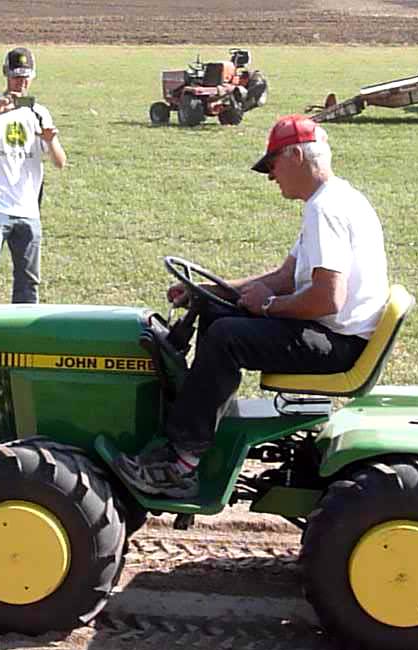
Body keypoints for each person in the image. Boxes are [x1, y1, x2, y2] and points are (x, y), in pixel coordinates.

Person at [109, 115, 389, 498]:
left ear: (295, 155)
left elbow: (327, 298)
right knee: (216, 313)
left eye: (272, 165)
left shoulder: (326, 211)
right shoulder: (332, 200)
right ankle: (198, 427)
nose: (271, 176)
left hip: (339, 343)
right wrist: (212, 291)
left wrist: (269, 307)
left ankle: (180, 462)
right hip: (337, 332)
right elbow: (284, 277)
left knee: (226, 337)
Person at [0, 47, 67, 306]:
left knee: (29, 286)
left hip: (28, 210)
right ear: (5, 74)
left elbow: (60, 162)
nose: (20, 83)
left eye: (25, 77)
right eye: (15, 77)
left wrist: (51, 142)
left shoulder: (39, 112)